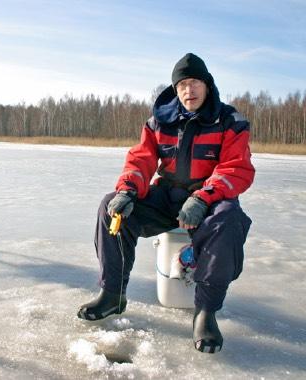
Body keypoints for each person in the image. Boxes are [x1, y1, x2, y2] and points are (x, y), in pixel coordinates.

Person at [77, 53, 255, 354]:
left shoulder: (229, 121)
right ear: (176, 89)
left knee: (228, 219)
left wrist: (202, 197)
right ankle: (112, 294)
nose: (189, 90)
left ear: (207, 85)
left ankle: (205, 313)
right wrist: (128, 191)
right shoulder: (160, 120)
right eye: (183, 84)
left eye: (195, 82)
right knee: (112, 207)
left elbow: (236, 168)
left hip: (208, 200)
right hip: (168, 196)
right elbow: (141, 160)